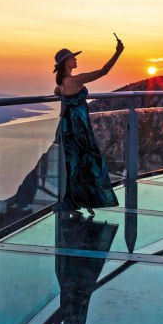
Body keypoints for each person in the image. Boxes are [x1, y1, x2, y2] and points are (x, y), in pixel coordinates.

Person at [53, 38, 124, 215]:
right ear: (66, 62)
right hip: (78, 126)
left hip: (69, 125)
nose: (76, 59)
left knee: (75, 165)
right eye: (73, 58)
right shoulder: (74, 80)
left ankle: (77, 202)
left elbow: (58, 92)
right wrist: (118, 52)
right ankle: (85, 200)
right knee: (89, 162)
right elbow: (103, 71)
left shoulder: (62, 83)